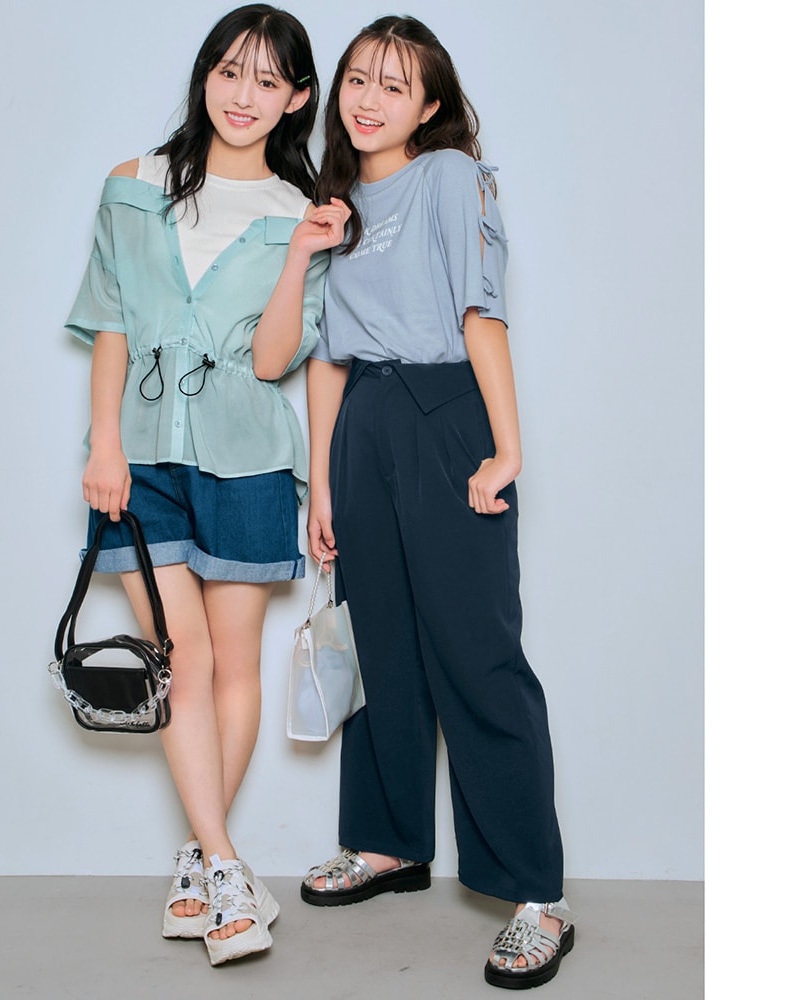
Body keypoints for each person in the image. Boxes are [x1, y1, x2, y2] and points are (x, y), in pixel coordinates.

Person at [64, 4, 349, 966]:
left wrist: (301, 254)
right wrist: (104, 444)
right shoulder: (132, 184)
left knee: (232, 662)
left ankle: (199, 865)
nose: (244, 95)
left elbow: (272, 361)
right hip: (140, 458)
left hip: (250, 457)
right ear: (205, 75)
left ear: (297, 99)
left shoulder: (300, 213)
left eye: (269, 80)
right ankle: (228, 866)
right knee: (177, 656)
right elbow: (111, 322)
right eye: (231, 71)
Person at [300, 15, 576, 990]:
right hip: (365, 422)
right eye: (357, 79)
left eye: (394, 84)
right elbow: (326, 354)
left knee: (476, 650)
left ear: (428, 105)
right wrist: (322, 480)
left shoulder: (453, 177)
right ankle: (387, 842)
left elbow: (479, 310)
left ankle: (537, 894)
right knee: (380, 642)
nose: (369, 99)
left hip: (446, 410)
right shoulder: (334, 206)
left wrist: (506, 446)